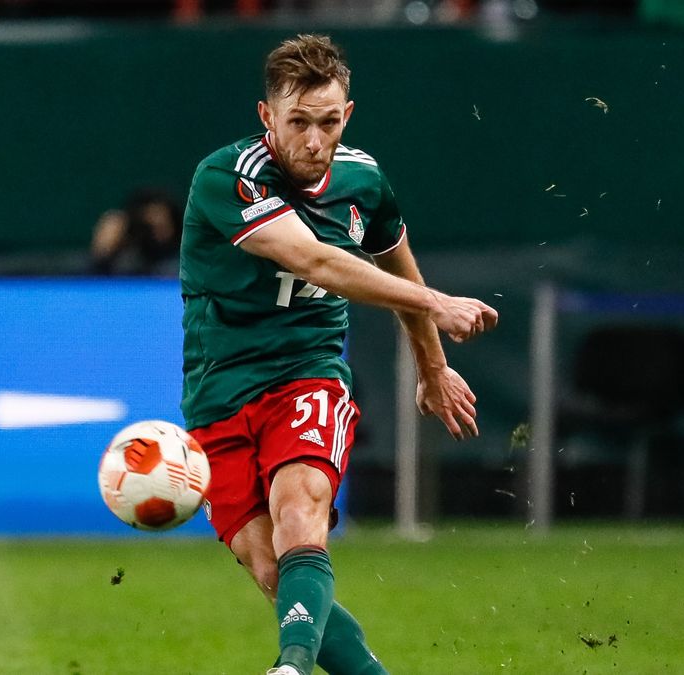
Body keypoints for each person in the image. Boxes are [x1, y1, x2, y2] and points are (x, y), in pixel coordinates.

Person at [179, 34, 498, 675]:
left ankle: (289, 669)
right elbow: (315, 258)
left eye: (328, 122)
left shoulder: (364, 183)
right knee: (272, 569)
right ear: (267, 117)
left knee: (301, 509)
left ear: (346, 115)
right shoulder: (227, 176)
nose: (314, 140)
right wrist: (438, 302)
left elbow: (397, 268)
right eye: (298, 122)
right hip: (218, 389)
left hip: (308, 376)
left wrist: (433, 368)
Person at [88, 188, 183, 277]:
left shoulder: (186, 266)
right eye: (147, 227)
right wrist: (103, 254)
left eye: (160, 226)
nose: (153, 235)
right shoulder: (125, 266)